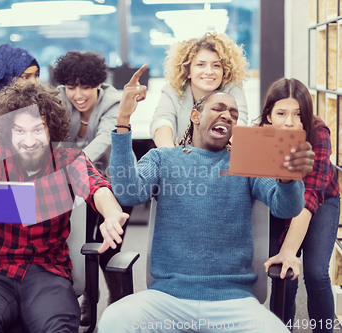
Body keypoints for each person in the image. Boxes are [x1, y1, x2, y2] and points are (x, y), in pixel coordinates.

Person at [98, 66, 316, 332]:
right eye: (219, 109)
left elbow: (286, 207)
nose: (227, 115)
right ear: (195, 116)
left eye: (234, 114)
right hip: (168, 299)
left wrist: (288, 177)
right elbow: (128, 192)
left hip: (234, 302)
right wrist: (123, 120)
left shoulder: (247, 161)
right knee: (113, 320)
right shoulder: (163, 158)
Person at [0, 81, 129, 333]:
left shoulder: (70, 159)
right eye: (20, 131)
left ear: (51, 129)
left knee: (58, 327)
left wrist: (111, 213)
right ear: (7, 131)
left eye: (38, 129)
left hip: (46, 270)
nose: (29, 140)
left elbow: (96, 186)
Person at [53, 51, 132, 325]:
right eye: (71, 86)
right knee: (79, 241)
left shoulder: (115, 101)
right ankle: (88, 296)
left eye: (85, 86)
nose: (78, 94)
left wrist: (73, 167)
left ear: (98, 83)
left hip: (114, 178)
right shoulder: (58, 100)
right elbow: (55, 142)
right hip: (73, 181)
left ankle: (116, 297)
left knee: (108, 245)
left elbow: (103, 142)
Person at [260, 78, 340, 333]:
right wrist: (286, 256)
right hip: (281, 201)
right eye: (281, 113)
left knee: (316, 273)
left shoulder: (318, 132)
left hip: (321, 200)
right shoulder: (259, 136)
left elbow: (309, 198)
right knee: (284, 277)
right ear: (269, 115)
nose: (290, 122)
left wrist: (289, 251)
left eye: (298, 114)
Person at [150, 32, 249, 148]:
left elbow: (239, 125)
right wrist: (172, 156)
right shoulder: (173, 90)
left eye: (216, 65)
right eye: (200, 65)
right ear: (188, 71)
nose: (209, 71)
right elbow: (162, 122)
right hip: (181, 158)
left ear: (224, 71)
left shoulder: (233, 88)